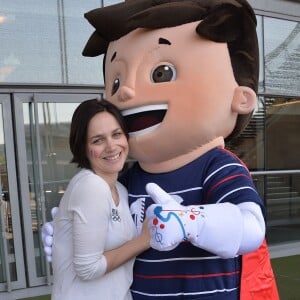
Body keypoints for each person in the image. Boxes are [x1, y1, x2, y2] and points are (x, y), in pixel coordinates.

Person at [43, 0, 279, 299]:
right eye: (116, 81)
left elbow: (251, 228)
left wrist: (191, 222)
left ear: (241, 98)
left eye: (161, 73)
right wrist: (73, 235)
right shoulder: (127, 179)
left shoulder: (216, 167)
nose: (126, 91)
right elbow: (117, 241)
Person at [50, 98, 150, 300]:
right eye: (98, 140)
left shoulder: (120, 189)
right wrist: (144, 241)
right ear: (84, 148)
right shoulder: (90, 186)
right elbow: (87, 268)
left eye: (116, 134)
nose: (111, 146)